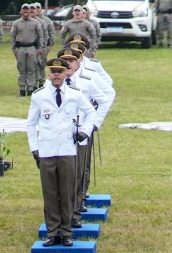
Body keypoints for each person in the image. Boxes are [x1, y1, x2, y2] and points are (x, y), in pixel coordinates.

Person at [27, 58, 101, 247]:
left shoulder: (75, 94)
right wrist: (34, 148)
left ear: (65, 73)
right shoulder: (39, 95)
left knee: (67, 193)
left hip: (68, 150)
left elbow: (91, 113)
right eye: (53, 72)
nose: (57, 75)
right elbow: (31, 124)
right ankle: (52, 232)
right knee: (50, 193)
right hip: (46, 150)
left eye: (60, 71)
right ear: (49, 74)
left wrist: (84, 131)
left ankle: (67, 232)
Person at [59, 48, 114, 228]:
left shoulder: (87, 80)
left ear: (78, 63)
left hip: (80, 133)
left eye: (72, 61)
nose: (68, 65)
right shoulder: (51, 83)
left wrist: (93, 125)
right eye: (63, 61)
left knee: (77, 173)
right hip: (58, 136)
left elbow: (106, 97)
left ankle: (74, 210)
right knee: (60, 176)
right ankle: (60, 213)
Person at [11, 3, 44, 96]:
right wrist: (13, 48)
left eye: (27, 9)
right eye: (24, 9)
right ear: (21, 11)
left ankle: (30, 89)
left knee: (31, 68)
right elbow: (12, 35)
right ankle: (22, 89)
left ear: (30, 11)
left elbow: (40, 36)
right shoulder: (16, 23)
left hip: (32, 48)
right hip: (21, 48)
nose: (25, 11)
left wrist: (40, 48)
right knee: (21, 69)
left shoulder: (36, 23)